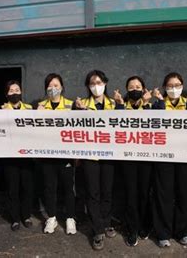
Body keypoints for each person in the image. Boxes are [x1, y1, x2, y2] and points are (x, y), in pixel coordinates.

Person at [74, 70, 124, 250]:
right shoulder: (81, 104)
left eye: (99, 82)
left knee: (108, 191)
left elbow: (122, 124)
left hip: (110, 155)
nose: (96, 86)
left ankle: (106, 221)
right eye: (92, 83)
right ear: (88, 86)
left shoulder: (113, 102)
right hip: (90, 155)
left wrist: (120, 106)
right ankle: (97, 230)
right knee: (93, 192)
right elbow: (74, 131)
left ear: (105, 83)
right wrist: (77, 111)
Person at [151, 72, 187, 248]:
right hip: (164, 157)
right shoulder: (158, 105)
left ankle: (184, 232)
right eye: (169, 86)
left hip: (186, 156)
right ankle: (163, 233)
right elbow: (158, 122)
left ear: (183, 86)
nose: (174, 89)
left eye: (177, 85)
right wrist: (160, 101)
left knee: (185, 194)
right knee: (164, 195)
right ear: (164, 88)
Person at [37, 73, 77, 235]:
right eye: (50, 85)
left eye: (56, 85)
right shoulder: (40, 106)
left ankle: (70, 218)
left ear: (62, 87)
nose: (53, 88)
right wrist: (35, 114)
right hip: (47, 155)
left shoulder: (70, 105)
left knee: (68, 187)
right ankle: (51, 218)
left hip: (66, 155)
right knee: (49, 188)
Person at [122, 76, 154, 246]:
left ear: (144, 89)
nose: (135, 89)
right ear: (127, 90)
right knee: (131, 194)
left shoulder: (151, 106)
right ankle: (132, 228)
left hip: (146, 157)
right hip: (128, 158)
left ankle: (145, 225)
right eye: (131, 86)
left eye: (138, 86)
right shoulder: (120, 107)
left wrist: (147, 104)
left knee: (144, 193)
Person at [1, 80, 34, 231]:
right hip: (10, 156)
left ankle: (26, 216)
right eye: (11, 91)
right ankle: (15, 219)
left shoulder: (29, 109)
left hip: (27, 156)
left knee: (27, 187)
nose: (14, 93)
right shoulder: (1, 110)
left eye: (17, 90)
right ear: (7, 94)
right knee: (12, 189)